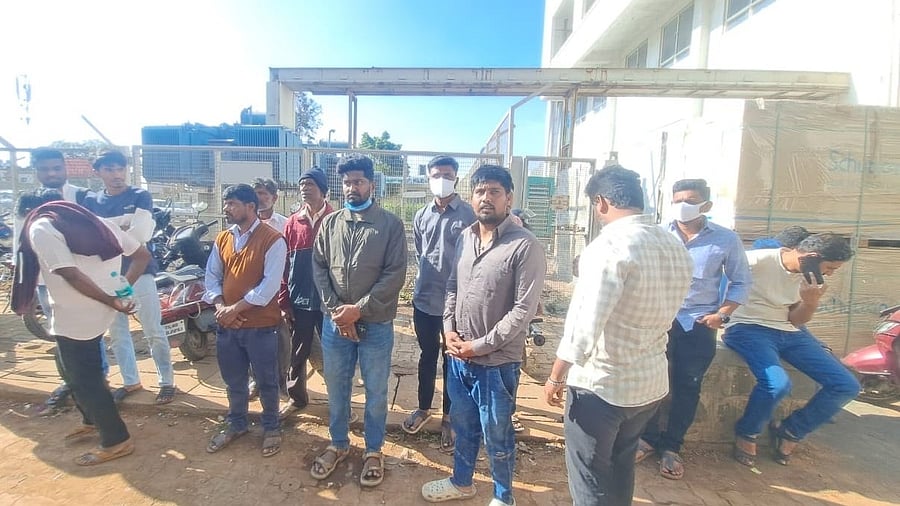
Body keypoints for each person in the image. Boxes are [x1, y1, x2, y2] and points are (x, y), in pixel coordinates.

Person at [543, 166, 692, 506]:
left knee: (589, 474)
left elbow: (584, 325)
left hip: (603, 387)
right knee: (622, 464)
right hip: (649, 385)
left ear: (601, 202)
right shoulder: (674, 246)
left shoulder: (609, 247)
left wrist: (555, 376)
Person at [421, 165, 546, 506]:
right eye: (480, 191)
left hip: (496, 364)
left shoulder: (525, 246)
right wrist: (448, 330)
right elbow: (452, 286)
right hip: (459, 358)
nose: (486, 198)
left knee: (497, 435)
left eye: (494, 191)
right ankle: (461, 482)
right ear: (471, 197)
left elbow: (522, 311)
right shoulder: (465, 237)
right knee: (463, 426)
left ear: (509, 198)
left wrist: (477, 347)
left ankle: (504, 497)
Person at [12, 189, 151, 465]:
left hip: (77, 315)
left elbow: (70, 274)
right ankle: (92, 419)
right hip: (97, 308)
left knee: (85, 378)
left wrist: (112, 298)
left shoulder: (40, 226)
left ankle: (116, 440)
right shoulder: (95, 222)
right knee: (69, 367)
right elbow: (142, 256)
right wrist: (120, 291)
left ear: (28, 213)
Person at [637, 179, 752, 480]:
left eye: (690, 200)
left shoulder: (725, 240)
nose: (682, 206)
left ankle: (672, 447)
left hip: (699, 323)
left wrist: (722, 314)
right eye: (677, 201)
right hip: (658, 319)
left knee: (688, 386)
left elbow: (741, 281)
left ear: (706, 205)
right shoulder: (658, 235)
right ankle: (647, 439)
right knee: (651, 381)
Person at [310, 154, 407, 488]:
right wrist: (339, 312)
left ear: (372, 185)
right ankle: (338, 444)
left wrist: (359, 310)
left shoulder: (390, 225)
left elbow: (394, 275)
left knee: (376, 391)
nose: (352, 187)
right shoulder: (331, 223)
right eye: (347, 182)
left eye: (359, 181)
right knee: (336, 387)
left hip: (375, 324)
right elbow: (319, 268)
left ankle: (373, 450)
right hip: (335, 324)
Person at [725, 233, 859, 467]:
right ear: (812, 257)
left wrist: (810, 302)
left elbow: (796, 320)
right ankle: (747, 431)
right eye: (830, 268)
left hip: (789, 332)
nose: (829, 274)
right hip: (747, 327)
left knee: (847, 385)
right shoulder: (756, 260)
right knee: (777, 384)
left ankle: (791, 431)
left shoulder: (810, 279)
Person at [15, 148, 108, 416]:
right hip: (46, 281)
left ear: (65, 168)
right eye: (45, 169)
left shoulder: (82, 197)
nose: (52, 174)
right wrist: (26, 284)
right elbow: (21, 243)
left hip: (83, 278)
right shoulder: (30, 201)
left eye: (56, 168)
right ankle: (73, 382)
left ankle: (98, 381)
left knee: (91, 332)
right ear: (36, 172)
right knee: (62, 334)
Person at [81, 151, 175, 405]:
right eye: (110, 169)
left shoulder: (139, 195)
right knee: (118, 332)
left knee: (153, 329)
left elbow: (141, 234)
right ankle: (131, 381)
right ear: (98, 172)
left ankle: (167, 382)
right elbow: (88, 238)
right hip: (108, 276)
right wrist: (122, 229)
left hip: (139, 273)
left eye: (120, 168)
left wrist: (107, 236)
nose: (117, 175)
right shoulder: (91, 201)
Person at [203, 184, 287, 457]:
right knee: (234, 380)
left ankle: (271, 427)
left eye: (232, 204)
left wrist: (233, 309)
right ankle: (237, 423)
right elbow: (212, 277)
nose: (226, 208)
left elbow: (268, 287)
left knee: (267, 381)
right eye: (226, 203)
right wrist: (221, 307)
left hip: (261, 327)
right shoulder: (223, 238)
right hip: (228, 325)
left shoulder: (273, 240)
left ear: (251, 207)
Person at [402, 155, 476, 451]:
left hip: (457, 304)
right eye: (436, 175)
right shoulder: (422, 215)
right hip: (425, 299)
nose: (441, 179)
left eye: (447, 174)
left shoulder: (469, 215)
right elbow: (422, 251)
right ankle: (423, 408)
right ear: (428, 178)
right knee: (427, 355)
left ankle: (449, 416)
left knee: (453, 361)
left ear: (456, 178)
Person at [278, 168, 334, 417]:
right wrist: (284, 300)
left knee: (334, 352)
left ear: (323, 189)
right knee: (298, 351)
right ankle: (297, 398)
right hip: (299, 299)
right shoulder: (292, 222)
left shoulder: (336, 219)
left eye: (310, 184)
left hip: (329, 301)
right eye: (301, 184)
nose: (304, 188)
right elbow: (284, 263)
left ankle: (339, 402)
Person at [247, 179, 288, 399]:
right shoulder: (245, 225)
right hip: (251, 293)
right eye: (256, 193)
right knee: (252, 339)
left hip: (277, 292)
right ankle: (256, 380)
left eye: (264, 193)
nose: (260, 198)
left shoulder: (285, 225)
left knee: (281, 340)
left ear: (274, 198)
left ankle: (281, 382)